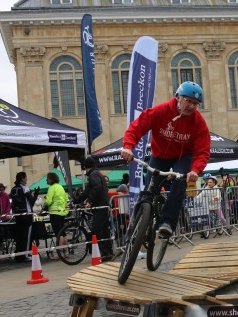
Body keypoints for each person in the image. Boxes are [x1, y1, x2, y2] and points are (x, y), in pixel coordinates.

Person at [121, 81, 210, 237]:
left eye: (195, 104)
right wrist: (128, 147)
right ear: (177, 97)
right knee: (149, 191)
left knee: (180, 182)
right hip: (160, 155)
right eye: (188, 101)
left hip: (183, 157)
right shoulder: (160, 111)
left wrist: (195, 170)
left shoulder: (198, 123)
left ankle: (168, 222)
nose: (191, 106)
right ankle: (137, 226)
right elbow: (137, 127)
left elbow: (202, 151)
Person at [73, 157, 113, 261]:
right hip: (102, 205)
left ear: (85, 167)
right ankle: (108, 251)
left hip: (100, 205)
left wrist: (90, 201)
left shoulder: (93, 174)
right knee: (104, 229)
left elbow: (97, 188)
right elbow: (87, 191)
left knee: (96, 229)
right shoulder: (96, 173)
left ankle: (104, 252)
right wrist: (76, 200)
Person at [10, 172, 39, 262]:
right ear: (22, 178)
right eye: (26, 178)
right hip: (27, 215)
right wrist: (36, 194)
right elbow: (31, 201)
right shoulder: (24, 188)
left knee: (19, 236)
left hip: (18, 215)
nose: (27, 179)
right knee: (27, 236)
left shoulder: (13, 189)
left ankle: (19, 255)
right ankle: (26, 255)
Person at [43, 172, 69, 260]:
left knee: (58, 233)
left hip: (54, 212)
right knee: (64, 233)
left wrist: (45, 205)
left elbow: (48, 201)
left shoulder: (51, 188)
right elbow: (66, 199)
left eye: (47, 178)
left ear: (51, 179)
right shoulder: (61, 187)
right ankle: (66, 252)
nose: (47, 180)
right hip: (62, 212)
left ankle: (60, 254)